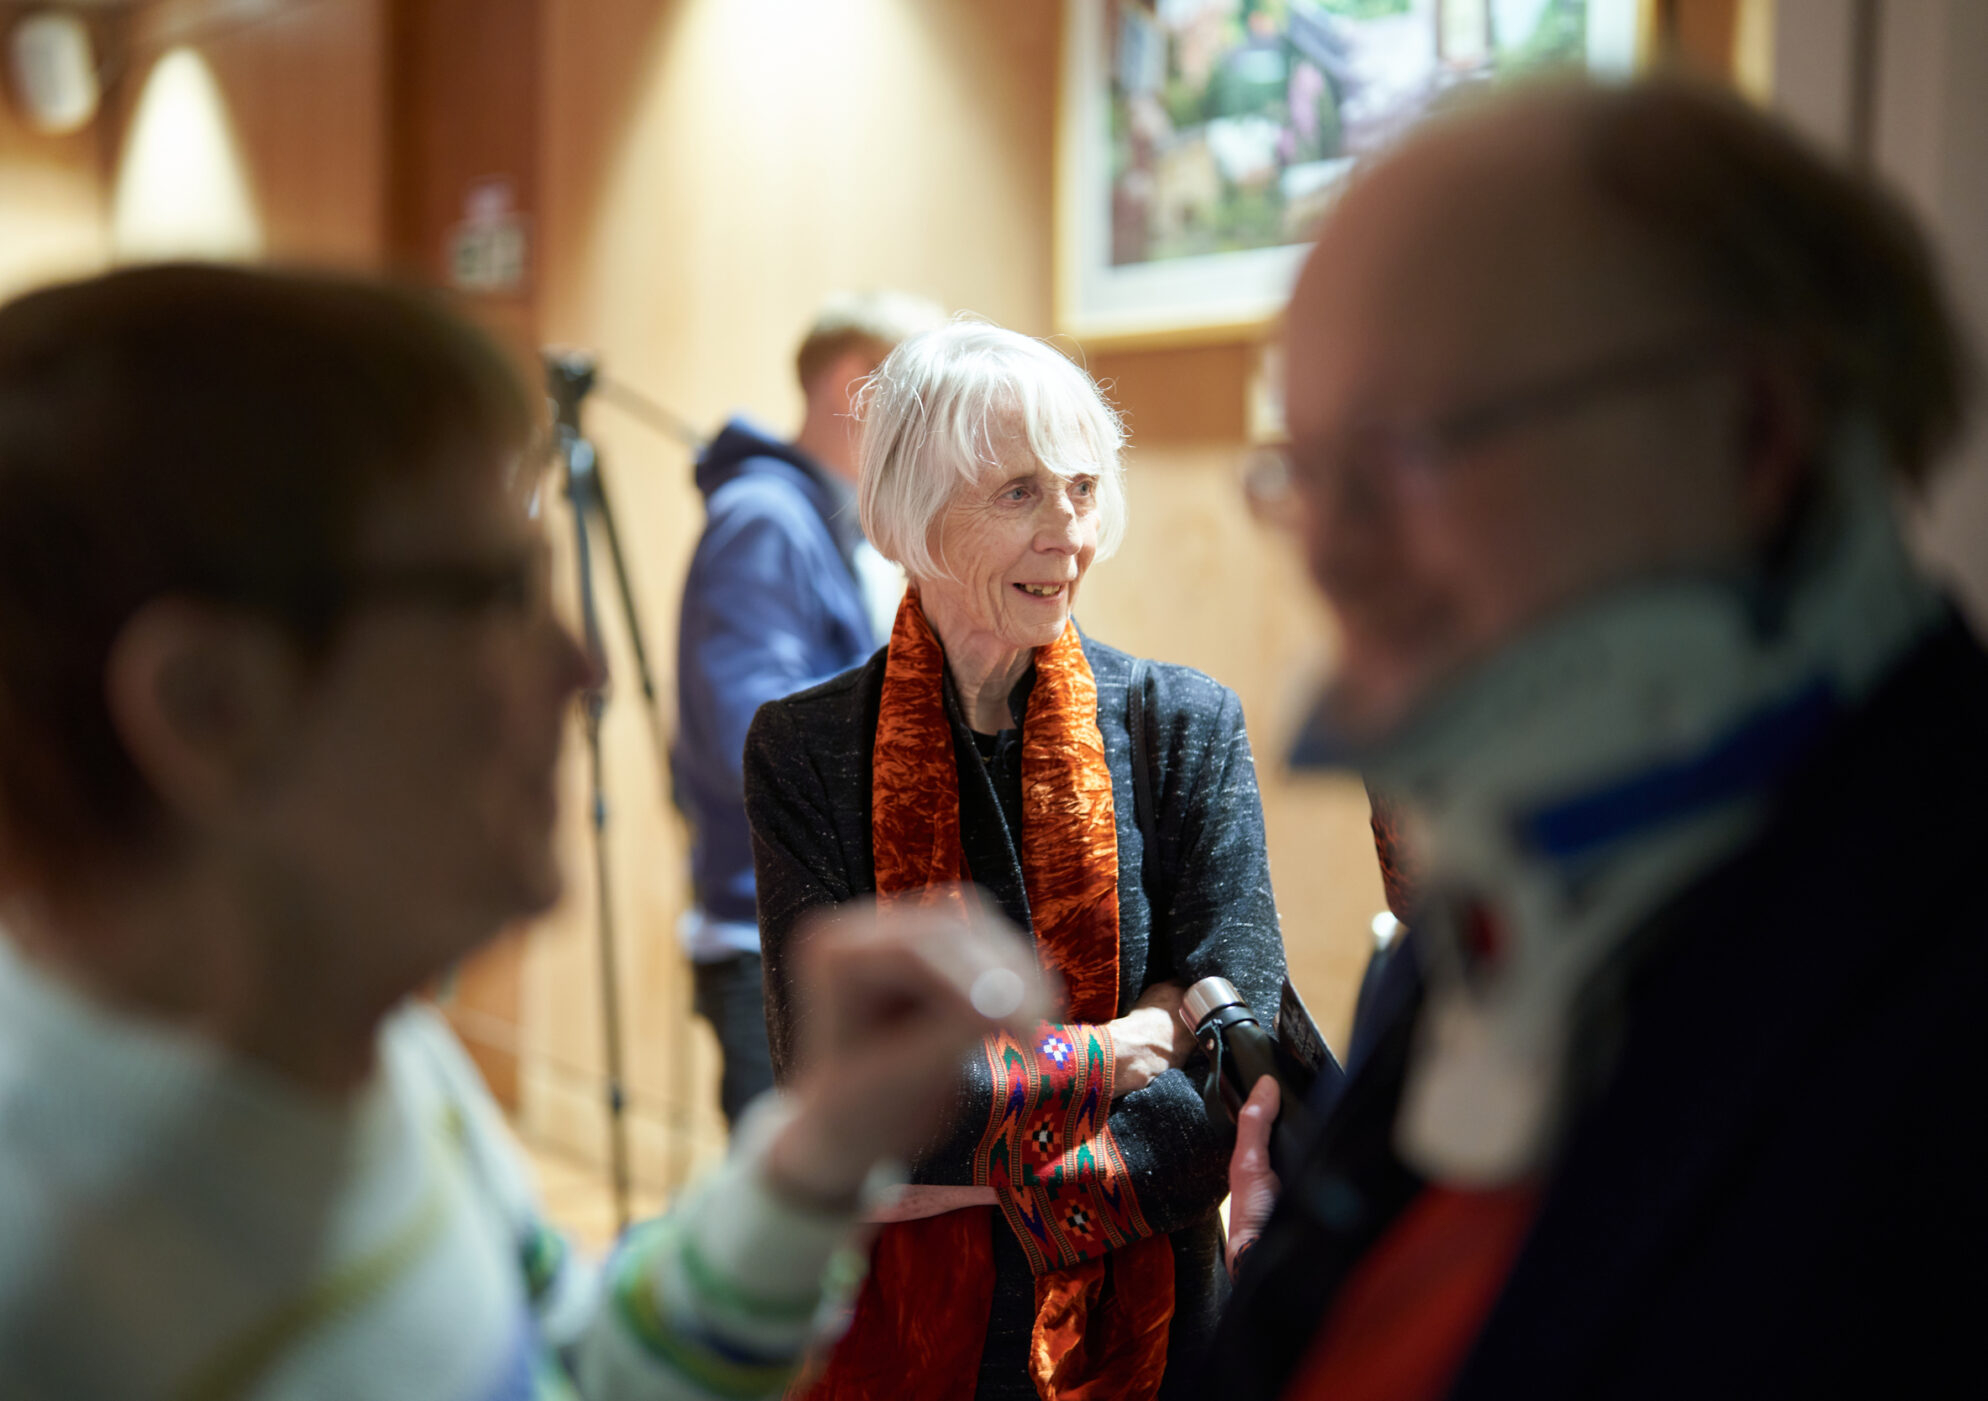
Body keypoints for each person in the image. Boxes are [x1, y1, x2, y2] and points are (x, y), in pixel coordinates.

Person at [0, 264, 1051, 1401]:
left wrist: (822, 1148)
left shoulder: (358, 1044)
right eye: (499, 594)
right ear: (212, 707)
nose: (581, 667)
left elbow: (578, 1367)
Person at [1210, 78, 1983, 1400]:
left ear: (1752, 434)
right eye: (1305, 470)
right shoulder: (1487, 939)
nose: (1332, 560)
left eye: (1405, 452)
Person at [744, 320, 1336, 1401]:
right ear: (911, 517)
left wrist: (968, 1169)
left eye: (1081, 487)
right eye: (1018, 492)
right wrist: (1121, 1048)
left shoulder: (1186, 723)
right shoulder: (806, 747)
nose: (1069, 531)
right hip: (906, 1342)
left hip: (1158, 1341)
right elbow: (837, 1088)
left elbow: (1232, 1086)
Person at [673, 290, 943, 1126]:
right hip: (775, 942)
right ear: (851, 383)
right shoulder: (767, 520)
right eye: (921, 396)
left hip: (808, 929)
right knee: (787, 1241)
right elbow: (755, 734)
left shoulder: (823, 523)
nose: (934, 427)